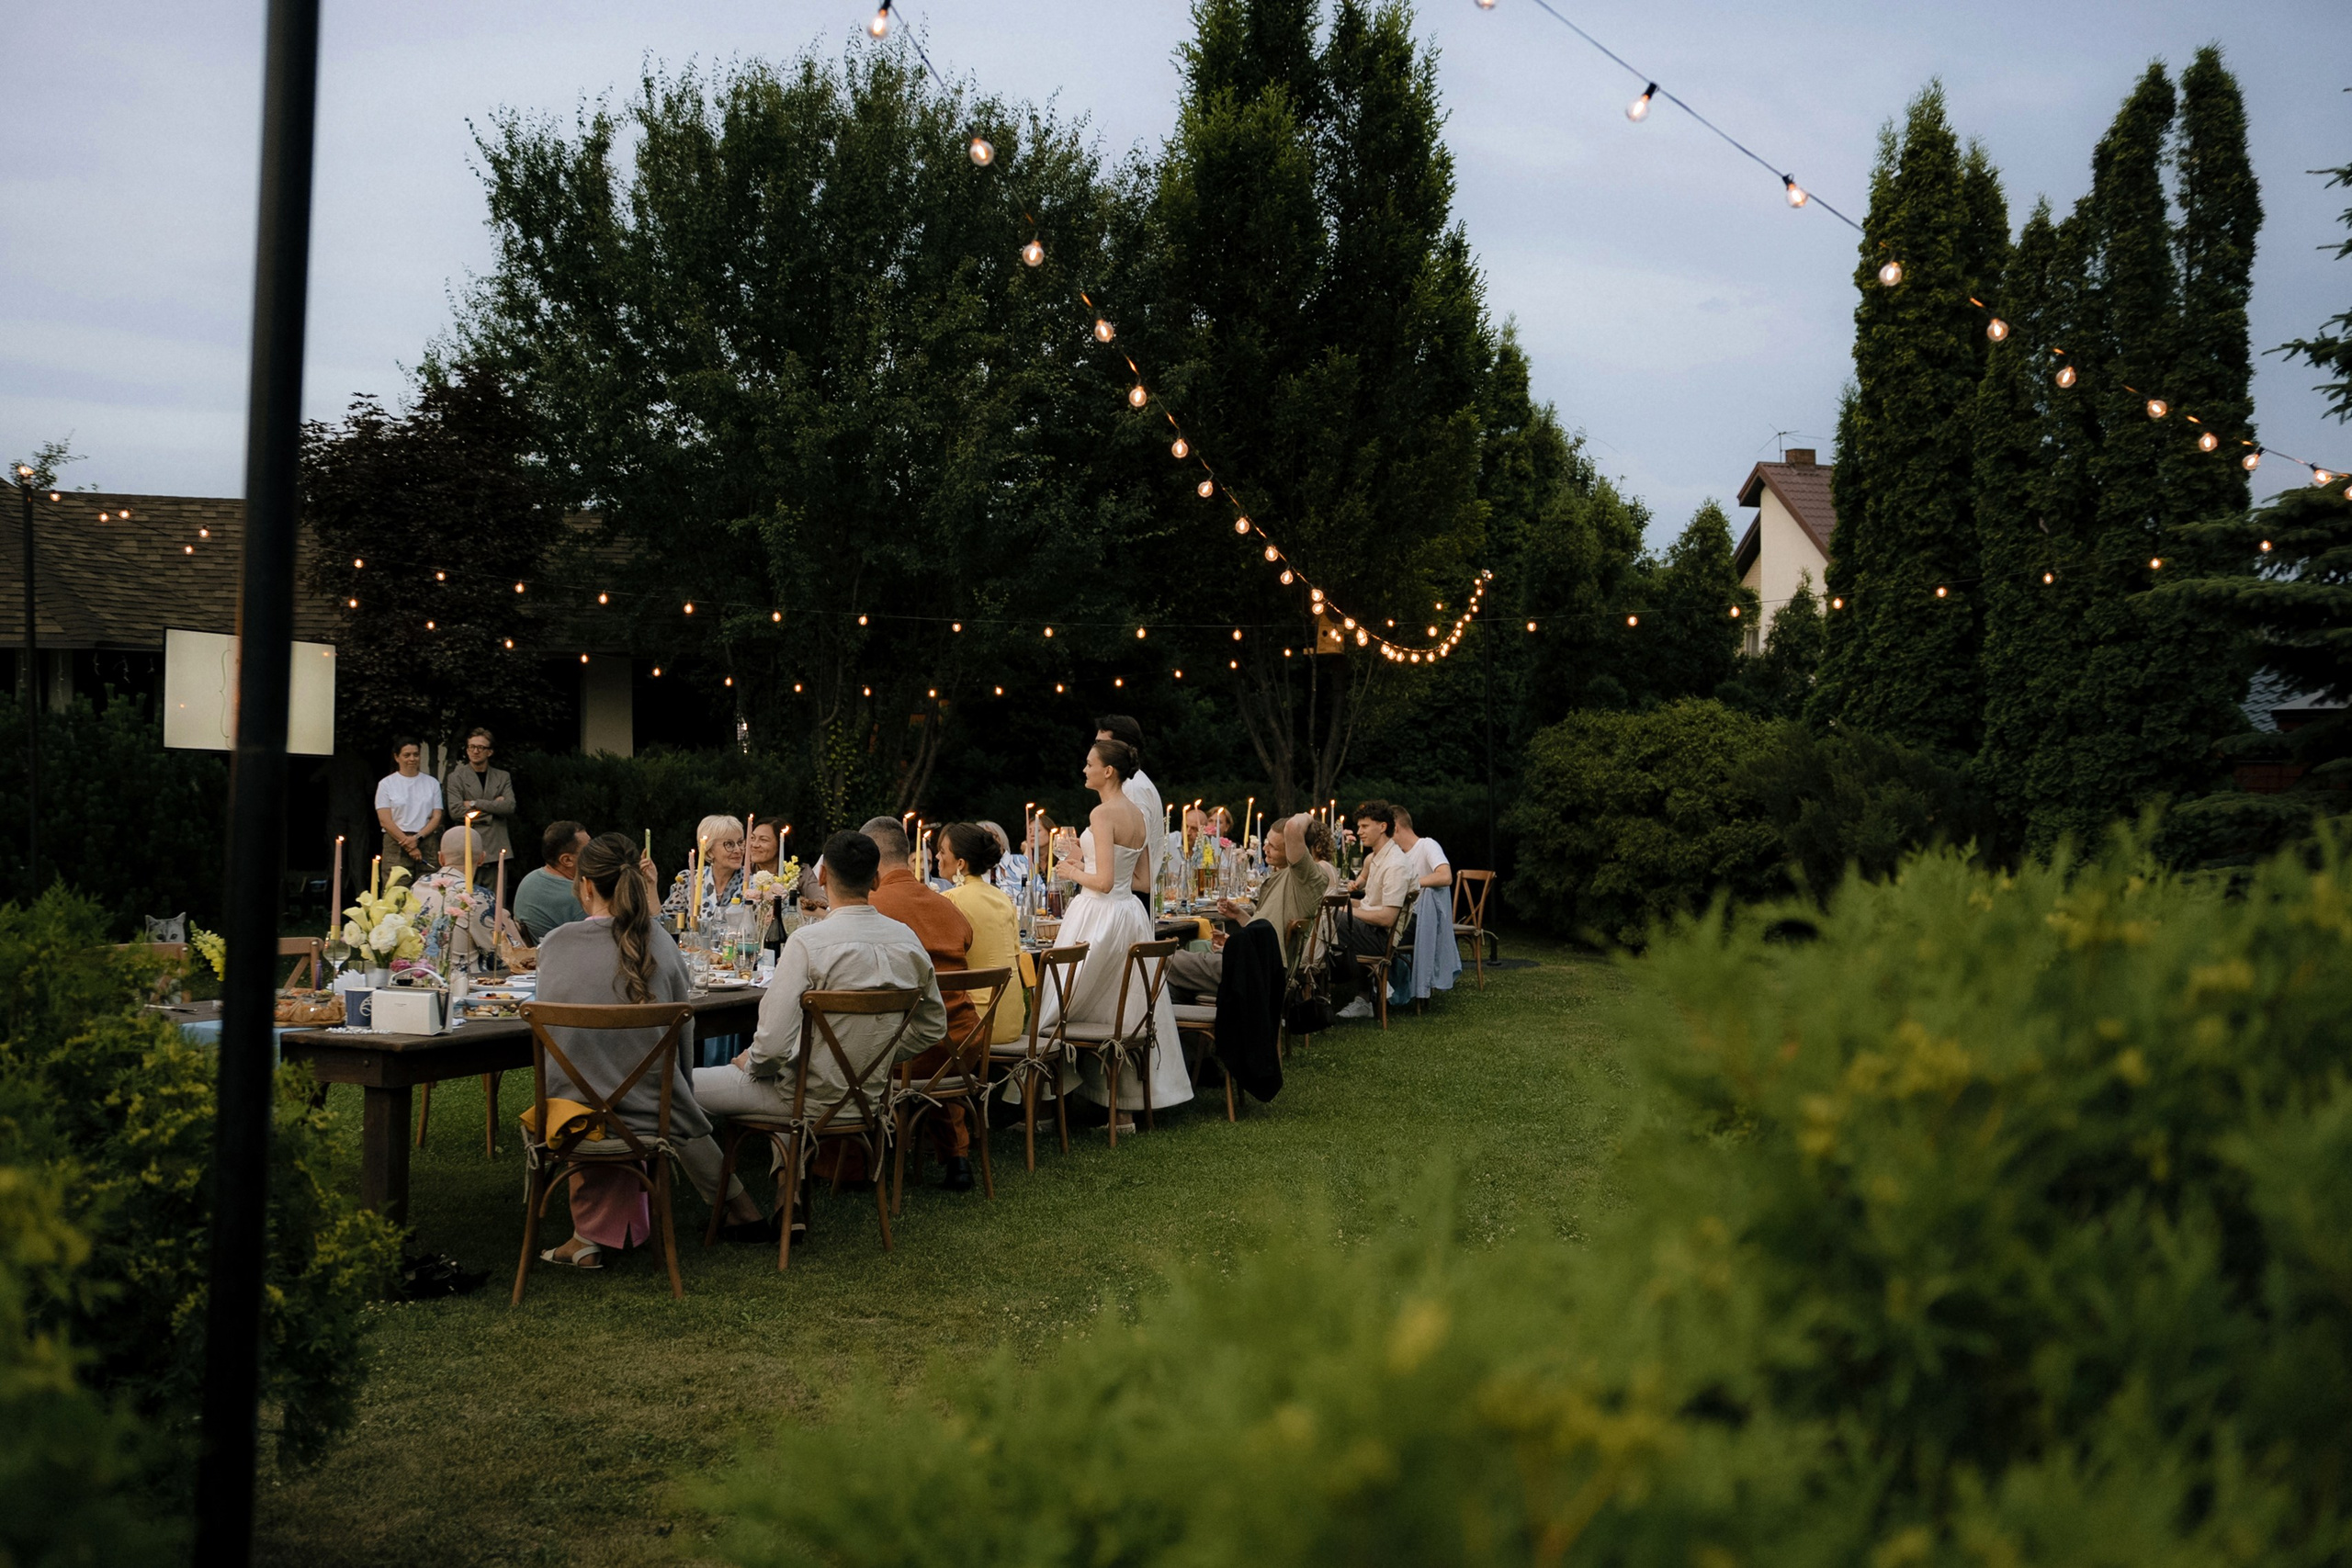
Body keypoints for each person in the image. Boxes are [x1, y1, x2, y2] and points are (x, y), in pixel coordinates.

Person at [531, 832, 767, 1269]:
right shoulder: (661, 944)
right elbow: (682, 1040)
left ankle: (590, 1236)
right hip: (652, 1113)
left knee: (604, 1089)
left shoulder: (555, 945)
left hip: (570, 1112)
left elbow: (557, 1041)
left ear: (585, 885)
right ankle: (739, 1209)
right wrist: (672, 1087)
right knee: (662, 1093)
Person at [692, 829, 947, 1194]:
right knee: (778, 1068)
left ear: (823, 877)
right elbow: (932, 1026)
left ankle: (733, 1204)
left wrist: (752, 1063)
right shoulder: (906, 939)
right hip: (868, 1096)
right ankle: (786, 1192)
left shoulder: (809, 942)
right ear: (875, 880)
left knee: (674, 1088)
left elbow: (772, 1047)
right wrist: (876, 1052)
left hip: (801, 1096)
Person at [1045, 737, 1193, 1120]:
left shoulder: (1103, 814)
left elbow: (1106, 882)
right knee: (1120, 1002)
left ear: (1107, 771)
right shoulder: (1139, 815)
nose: (1084, 769)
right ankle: (1121, 1109)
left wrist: (1073, 870)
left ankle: (1047, 1100)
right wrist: (1086, 856)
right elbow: (1141, 879)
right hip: (1130, 915)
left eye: (1089, 763)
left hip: (1099, 912)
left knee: (1060, 998)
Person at [861, 815, 980, 1188]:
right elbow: (967, 942)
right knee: (934, 1035)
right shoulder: (946, 905)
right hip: (960, 1044)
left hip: (907, 1052)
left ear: (871, 858)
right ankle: (957, 1158)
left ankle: (845, 1162)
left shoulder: (871, 908)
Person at [1167, 812, 1329, 1000]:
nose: (1265, 848)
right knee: (1183, 964)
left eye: (1273, 847)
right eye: (1266, 842)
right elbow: (1267, 933)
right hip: (1251, 962)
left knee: (1167, 959)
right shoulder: (1283, 876)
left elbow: (1293, 826)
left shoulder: (1306, 878)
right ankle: (1188, 1025)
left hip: (1255, 972)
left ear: (1294, 849)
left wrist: (1308, 817)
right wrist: (1240, 916)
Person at [937, 822, 1028, 1048]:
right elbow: (1016, 960)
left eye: (942, 852)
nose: (937, 858)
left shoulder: (951, 899)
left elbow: (943, 966)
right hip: (1014, 1018)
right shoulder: (1004, 899)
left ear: (960, 863)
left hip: (978, 1022)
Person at [1327, 800, 1413, 1019]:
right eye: (1359, 826)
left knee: (1324, 921)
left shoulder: (1395, 864)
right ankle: (1328, 992)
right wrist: (1335, 901)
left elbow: (1386, 918)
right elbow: (1368, 904)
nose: (1359, 832)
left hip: (1381, 938)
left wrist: (1346, 912)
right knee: (1323, 911)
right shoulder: (1376, 858)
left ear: (1382, 827)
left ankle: (1312, 993)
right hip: (1370, 930)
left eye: (1365, 826)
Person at [1094, 715, 1165, 911]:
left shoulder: (1132, 788)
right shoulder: (1134, 784)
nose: (1095, 749)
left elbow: (1136, 848)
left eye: (1101, 743)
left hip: (1127, 899)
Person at [1393, 806, 1461, 1002]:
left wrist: (1412, 884)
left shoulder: (1427, 845)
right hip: (1404, 917)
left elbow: (1446, 876)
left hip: (1422, 922)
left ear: (1396, 827)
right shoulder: (1399, 855)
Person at [374, 739, 443, 881]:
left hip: (426, 839)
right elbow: (385, 820)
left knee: (428, 886)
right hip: (396, 840)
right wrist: (409, 845)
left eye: (416, 755)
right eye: (407, 755)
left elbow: (436, 816)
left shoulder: (432, 783)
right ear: (396, 757)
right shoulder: (386, 784)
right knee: (396, 888)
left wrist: (417, 838)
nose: (412, 759)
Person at [442, 728, 515, 862]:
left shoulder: (502, 776)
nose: (475, 751)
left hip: (496, 847)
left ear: (490, 752)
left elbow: (509, 807)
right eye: (472, 747)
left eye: (481, 747)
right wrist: (492, 812)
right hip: (468, 848)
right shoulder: (456, 777)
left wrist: (474, 803)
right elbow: (456, 811)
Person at [514, 820, 590, 944]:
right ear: (567, 860)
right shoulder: (578, 895)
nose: (595, 853)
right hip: (566, 959)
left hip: (541, 957)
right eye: (588, 849)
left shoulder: (530, 879)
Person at [663, 814, 747, 926]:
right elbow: (666, 924)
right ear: (709, 851)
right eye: (729, 844)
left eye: (740, 842)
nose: (738, 850)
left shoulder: (754, 885)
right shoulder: (688, 881)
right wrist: (652, 885)